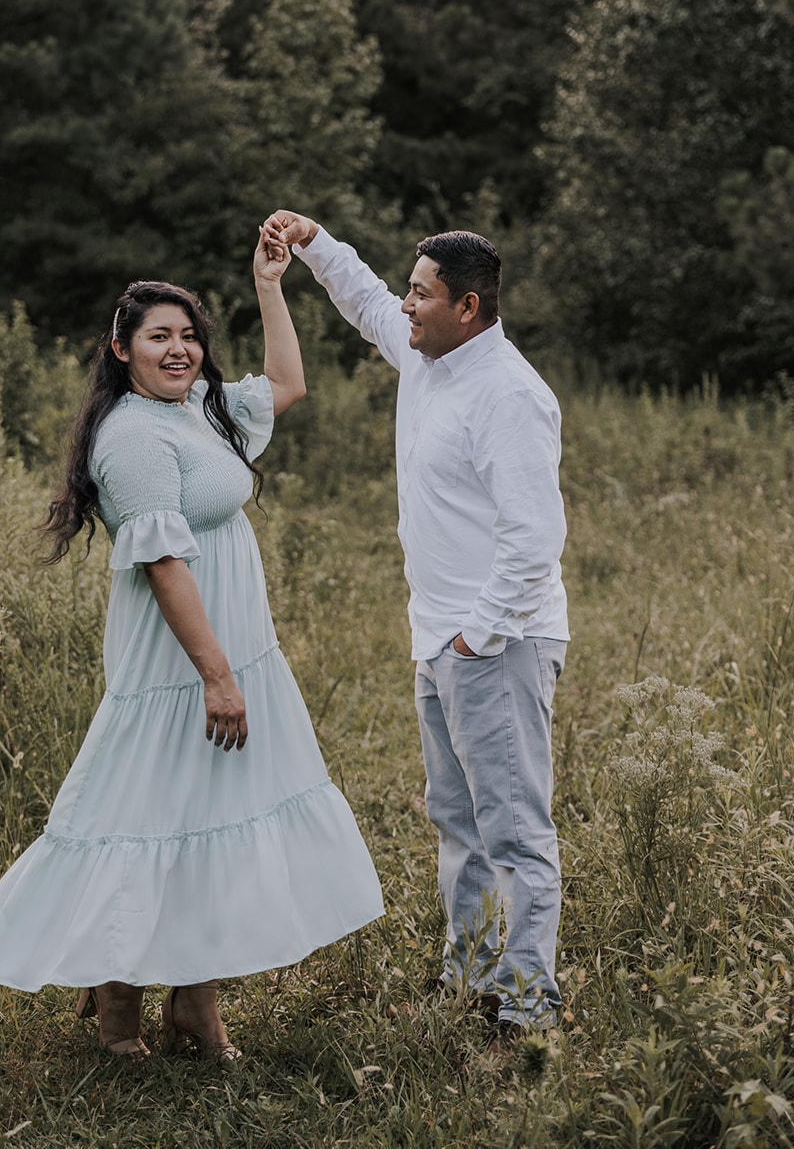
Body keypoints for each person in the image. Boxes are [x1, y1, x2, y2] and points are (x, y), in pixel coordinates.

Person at [0, 228, 383, 1061]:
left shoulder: (196, 411)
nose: (178, 348)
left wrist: (268, 285)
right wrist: (216, 676)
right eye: (159, 336)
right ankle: (119, 1007)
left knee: (208, 813)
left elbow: (290, 382)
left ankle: (195, 999)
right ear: (121, 350)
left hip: (232, 648)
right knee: (142, 813)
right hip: (182, 661)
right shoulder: (132, 437)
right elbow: (159, 562)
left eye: (188, 335)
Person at [265, 211, 569, 1049]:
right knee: (456, 821)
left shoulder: (508, 394)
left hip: (497, 642)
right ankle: (469, 973)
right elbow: (364, 301)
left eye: (420, 294)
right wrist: (314, 243)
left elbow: (533, 541)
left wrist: (477, 636)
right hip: (438, 639)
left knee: (511, 826)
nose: (404, 306)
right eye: (408, 289)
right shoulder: (426, 356)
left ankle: (527, 1004)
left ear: (466, 307)